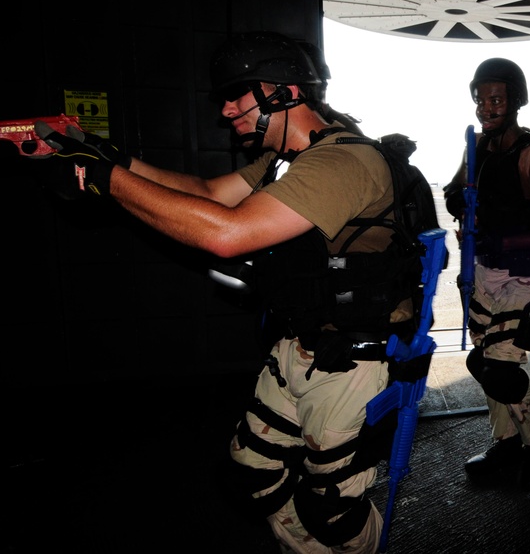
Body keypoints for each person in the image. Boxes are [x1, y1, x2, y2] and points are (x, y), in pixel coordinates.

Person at [28, 31, 427, 554]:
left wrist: (103, 180)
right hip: (299, 347)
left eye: (238, 92)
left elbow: (227, 232)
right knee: (252, 477)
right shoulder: (285, 159)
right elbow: (207, 194)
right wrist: (113, 160)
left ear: (284, 91)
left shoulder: (342, 162)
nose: (225, 109)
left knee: (330, 510)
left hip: (352, 365)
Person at [443, 57, 530, 490]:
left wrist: (507, 242)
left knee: (503, 370)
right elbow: (458, 188)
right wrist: (455, 198)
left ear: (515, 101)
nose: (486, 107)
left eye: (496, 99)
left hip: (522, 274)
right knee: (481, 361)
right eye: (481, 99)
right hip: (482, 272)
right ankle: (506, 441)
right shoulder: (476, 148)